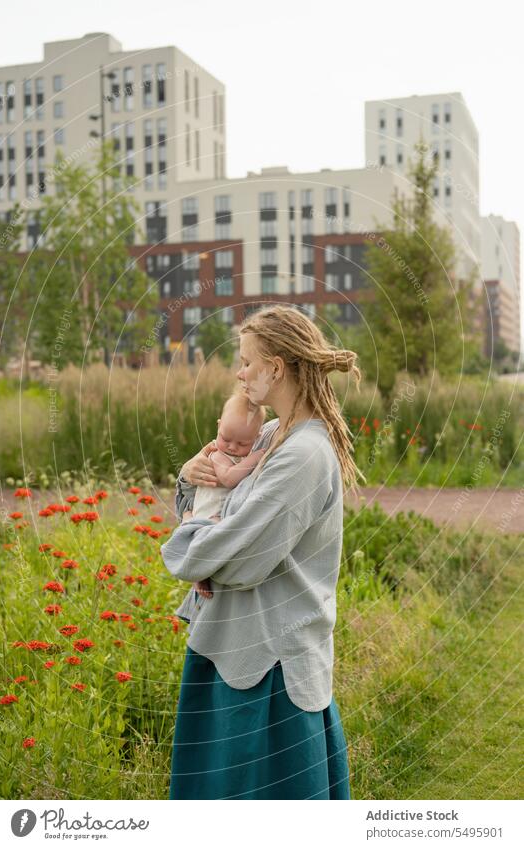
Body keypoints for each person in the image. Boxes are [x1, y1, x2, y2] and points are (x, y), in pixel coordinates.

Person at [160, 304, 366, 800]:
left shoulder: (301, 455)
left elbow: (240, 559)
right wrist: (190, 480)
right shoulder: (274, 436)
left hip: (269, 671)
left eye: (247, 361)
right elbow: (221, 518)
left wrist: (186, 542)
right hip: (234, 649)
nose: (239, 371)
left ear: (275, 368)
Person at [188, 390, 267, 602]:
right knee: (210, 541)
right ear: (218, 425)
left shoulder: (240, 454)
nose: (232, 447)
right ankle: (196, 574)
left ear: (257, 438)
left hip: (216, 515)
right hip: (207, 515)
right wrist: (256, 457)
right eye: (226, 438)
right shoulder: (218, 455)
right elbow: (229, 479)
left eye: (243, 444)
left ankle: (201, 571)